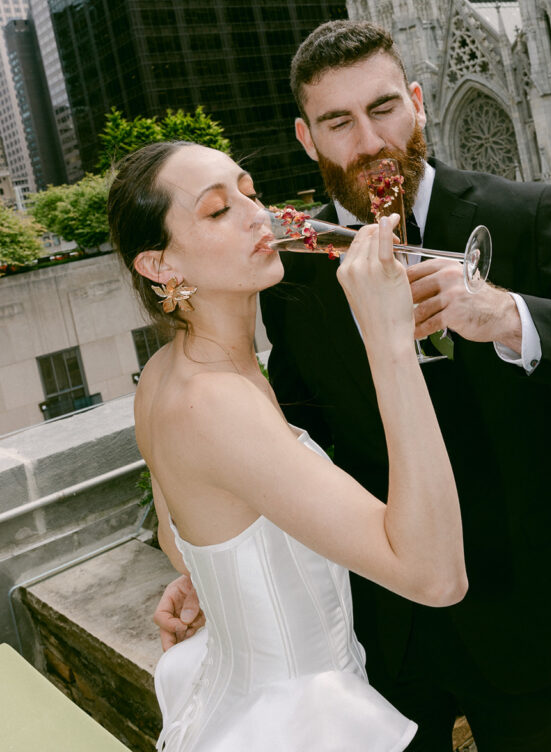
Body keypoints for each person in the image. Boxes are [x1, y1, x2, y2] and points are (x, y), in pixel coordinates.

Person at [156, 21, 551, 752]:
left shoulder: (522, 213)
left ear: (417, 102)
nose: (369, 142)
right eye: (338, 122)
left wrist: (507, 315)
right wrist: (217, 580)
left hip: (523, 601)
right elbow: (285, 435)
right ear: (307, 139)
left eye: (382, 109)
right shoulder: (289, 267)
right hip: (382, 624)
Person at [107, 139, 468, 752]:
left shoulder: (165, 374)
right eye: (218, 210)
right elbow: (435, 577)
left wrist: (218, 581)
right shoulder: (217, 403)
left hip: (241, 701)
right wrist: (389, 341)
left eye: (249, 192)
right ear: (161, 266)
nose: (259, 216)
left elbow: (179, 540)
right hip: (301, 723)